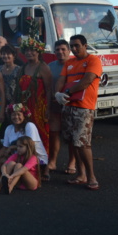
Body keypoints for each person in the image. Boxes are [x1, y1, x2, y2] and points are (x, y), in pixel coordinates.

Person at [55, 34, 102, 190]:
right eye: (72, 46)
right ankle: (81, 175)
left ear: (85, 45)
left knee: (82, 143)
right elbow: (61, 80)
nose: (74, 49)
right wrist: (57, 93)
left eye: (77, 46)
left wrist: (67, 92)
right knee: (72, 141)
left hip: (84, 107)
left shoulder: (93, 60)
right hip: (68, 106)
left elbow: (87, 80)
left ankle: (91, 177)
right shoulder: (69, 63)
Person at [18, 37, 52, 178]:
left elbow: (50, 89)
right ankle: (29, 165)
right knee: (26, 136)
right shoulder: (24, 67)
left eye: (32, 50)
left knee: (41, 135)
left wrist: (48, 109)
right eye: (27, 50)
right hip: (25, 107)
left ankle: (45, 167)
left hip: (39, 107)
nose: (29, 53)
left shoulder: (43, 67)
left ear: (38, 52)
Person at [47, 40, 75, 174]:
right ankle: (52, 161)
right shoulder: (50, 66)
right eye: (57, 49)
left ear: (69, 50)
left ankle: (72, 162)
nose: (60, 52)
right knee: (54, 133)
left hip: (72, 105)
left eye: (63, 49)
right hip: (54, 105)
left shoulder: (75, 65)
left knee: (71, 135)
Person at [0, 103, 48, 169]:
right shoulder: (9, 128)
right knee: (0, 161)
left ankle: (44, 170)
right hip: (19, 157)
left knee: (12, 165)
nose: (16, 117)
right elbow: (5, 147)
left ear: (24, 116)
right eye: (13, 115)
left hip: (34, 158)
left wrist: (12, 147)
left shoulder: (29, 126)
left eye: (19, 114)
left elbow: (30, 147)